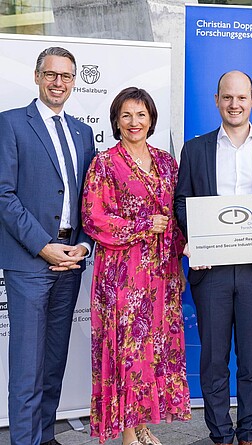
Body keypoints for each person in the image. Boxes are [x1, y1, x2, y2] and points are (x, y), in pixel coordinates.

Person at [174, 70, 252, 445]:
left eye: (241, 98)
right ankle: (220, 434)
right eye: (227, 97)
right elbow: (182, 201)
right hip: (212, 271)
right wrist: (197, 239)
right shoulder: (196, 149)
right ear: (217, 100)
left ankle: (249, 433)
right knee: (213, 361)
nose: (234, 104)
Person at [82, 87, 191, 445]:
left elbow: (176, 217)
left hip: (161, 272)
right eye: (126, 115)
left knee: (153, 349)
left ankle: (143, 424)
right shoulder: (104, 163)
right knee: (127, 348)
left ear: (151, 119)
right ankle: (128, 432)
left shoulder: (165, 161)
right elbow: (93, 218)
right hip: (122, 274)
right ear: (116, 120)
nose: (134, 122)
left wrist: (179, 262)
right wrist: (143, 225)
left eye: (141, 115)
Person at [0, 46, 95, 445]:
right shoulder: (11, 124)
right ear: (38, 77)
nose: (59, 83)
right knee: (27, 364)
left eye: (67, 76)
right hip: (30, 261)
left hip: (70, 260)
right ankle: (24, 440)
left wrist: (84, 246)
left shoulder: (82, 131)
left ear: (74, 81)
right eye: (51, 75)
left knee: (54, 358)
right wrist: (43, 246)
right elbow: (4, 195)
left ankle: (44, 434)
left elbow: (92, 199)